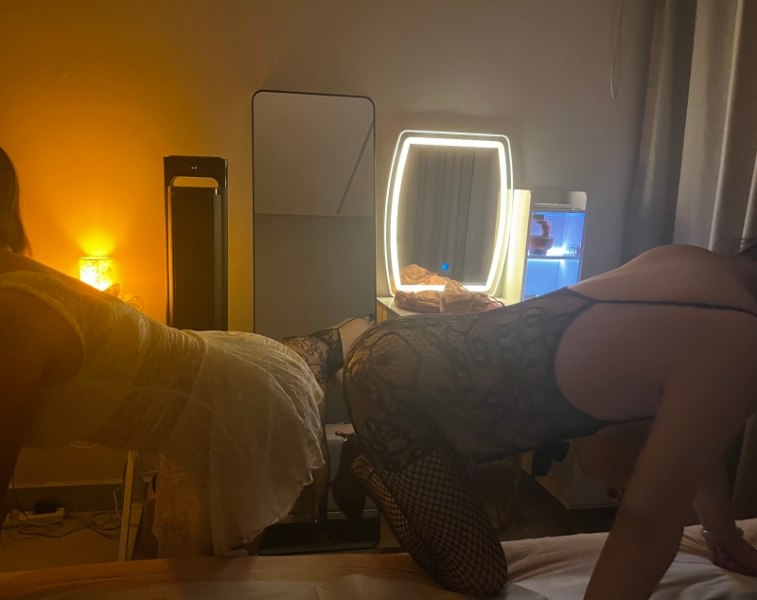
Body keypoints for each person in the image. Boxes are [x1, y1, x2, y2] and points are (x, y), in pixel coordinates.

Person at [0, 147, 372, 557]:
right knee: (190, 560)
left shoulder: (15, 307)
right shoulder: (22, 283)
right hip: (240, 373)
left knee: (216, 570)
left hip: (241, 395)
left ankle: (334, 495)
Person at [341, 238, 757, 598]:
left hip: (404, 347)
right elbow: (647, 520)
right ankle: (367, 464)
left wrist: (721, 534)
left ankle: (384, 458)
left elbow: (695, 443)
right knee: (478, 577)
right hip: (395, 386)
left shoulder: (688, 258)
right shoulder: (738, 338)